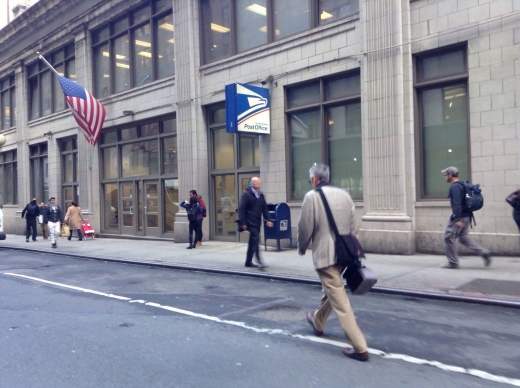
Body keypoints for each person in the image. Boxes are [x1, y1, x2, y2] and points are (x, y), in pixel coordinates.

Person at [298, 163, 369, 362]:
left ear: (314, 179)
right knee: (333, 288)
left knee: (340, 299)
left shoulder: (312, 197)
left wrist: (302, 247)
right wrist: (351, 250)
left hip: (325, 254)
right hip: (344, 253)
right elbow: (354, 227)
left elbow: (305, 227)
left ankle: (359, 347)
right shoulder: (345, 195)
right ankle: (318, 322)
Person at [442, 166, 491, 269]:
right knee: (463, 238)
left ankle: (453, 263)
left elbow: (457, 203)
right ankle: (483, 252)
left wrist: (457, 219)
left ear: (450, 175)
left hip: (460, 217)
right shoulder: (464, 185)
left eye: (445, 175)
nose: (444, 177)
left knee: (448, 237)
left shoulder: (454, 187)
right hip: (468, 216)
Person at [238, 177, 273, 268]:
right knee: (256, 239)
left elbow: (264, 208)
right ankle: (259, 260)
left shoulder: (260, 195)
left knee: (253, 241)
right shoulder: (246, 195)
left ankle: (248, 261)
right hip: (249, 221)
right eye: (258, 182)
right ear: (253, 184)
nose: (259, 184)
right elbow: (242, 209)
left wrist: (268, 219)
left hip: (257, 222)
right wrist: (243, 223)